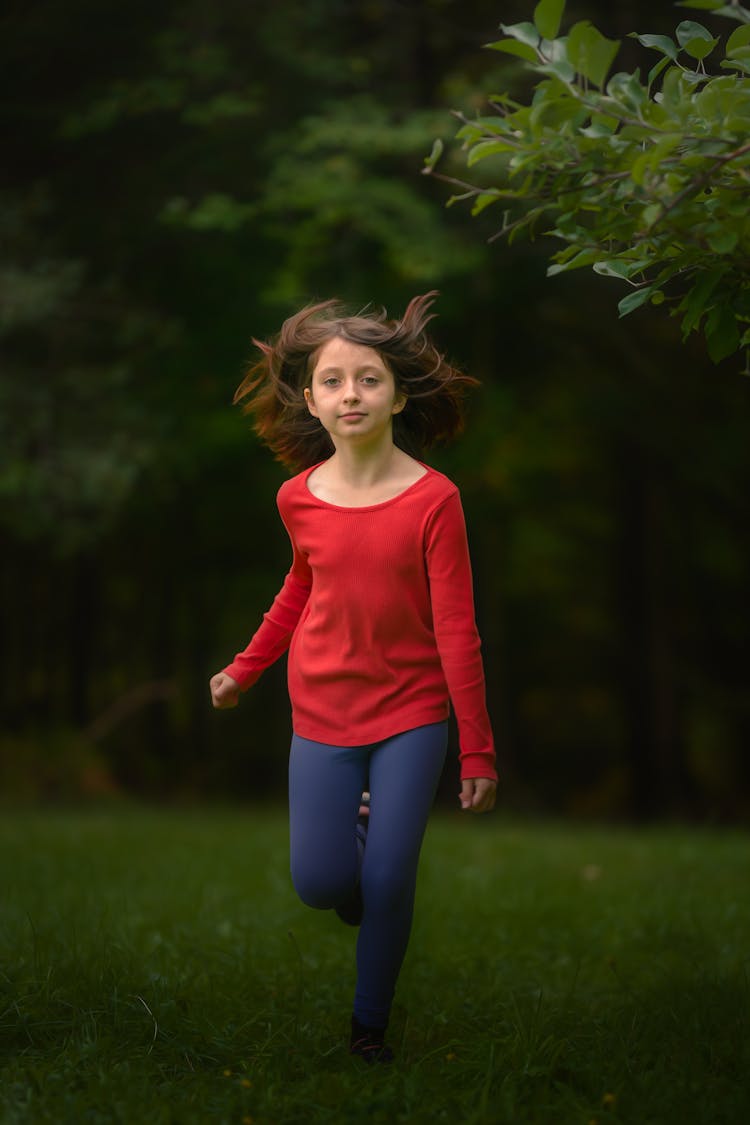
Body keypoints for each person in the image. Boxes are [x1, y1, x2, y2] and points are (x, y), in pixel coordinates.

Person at [209, 291, 497, 1064]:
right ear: (311, 398)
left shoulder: (435, 499)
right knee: (322, 881)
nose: (351, 395)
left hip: (412, 712)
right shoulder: (298, 497)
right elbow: (299, 589)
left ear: (399, 394)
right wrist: (244, 669)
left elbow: (458, 631)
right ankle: (359, 845)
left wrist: (477, 750)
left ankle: (368, 1026)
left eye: (368, 379)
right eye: (333, 381)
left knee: (393, 876)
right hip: (322, 711)